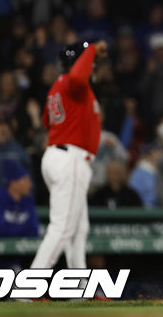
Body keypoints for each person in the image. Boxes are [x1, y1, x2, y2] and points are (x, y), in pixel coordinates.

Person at [30, 40, 107, 273]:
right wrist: (92, 49)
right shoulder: (75, 83)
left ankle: (80, 289)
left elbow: (46, 120)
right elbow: (77, 78)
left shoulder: (58, 86)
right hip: (70, 159)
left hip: (59, 155)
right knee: (63, 228)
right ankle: (27, 289)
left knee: (79, 228)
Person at [0, 160, 38, 238]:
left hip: (25, 248)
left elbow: (34, 230)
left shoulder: (28, 199)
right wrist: (22, 230)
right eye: (25, 180)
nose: (30, 184)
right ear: (13, 183)